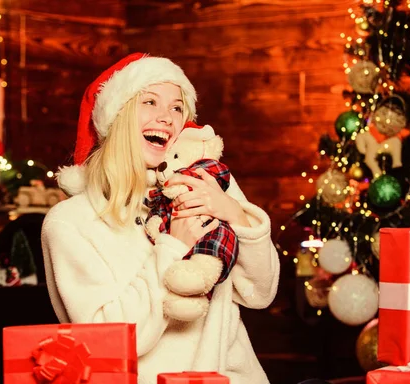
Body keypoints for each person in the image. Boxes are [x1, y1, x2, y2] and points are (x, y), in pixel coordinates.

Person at [41, 52, 280, 384]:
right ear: (117, 116)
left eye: (177, 107)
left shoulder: (202, 185)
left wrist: (234, 212)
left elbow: (259, 291)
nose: (166, 117)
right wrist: (171, 246)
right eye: (149, 101)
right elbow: (106, 342)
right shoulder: (71, 222)